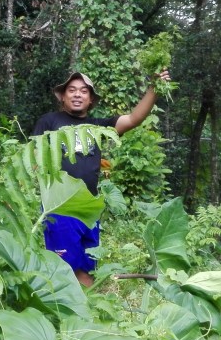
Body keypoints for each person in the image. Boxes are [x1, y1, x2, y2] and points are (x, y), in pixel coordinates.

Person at [33, 70, 170, 287]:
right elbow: (35, 157)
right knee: (65, 269)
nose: (78, 95)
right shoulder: (49, 121)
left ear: (91, 99)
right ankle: (73, 313)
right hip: (60, 206)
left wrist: (154, 89)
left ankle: (89, 312)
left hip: (90, 209)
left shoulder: (99, 126)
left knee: (88, 267)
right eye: (72, 90)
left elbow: (134, 119)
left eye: (84, 91)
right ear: (63, 96)